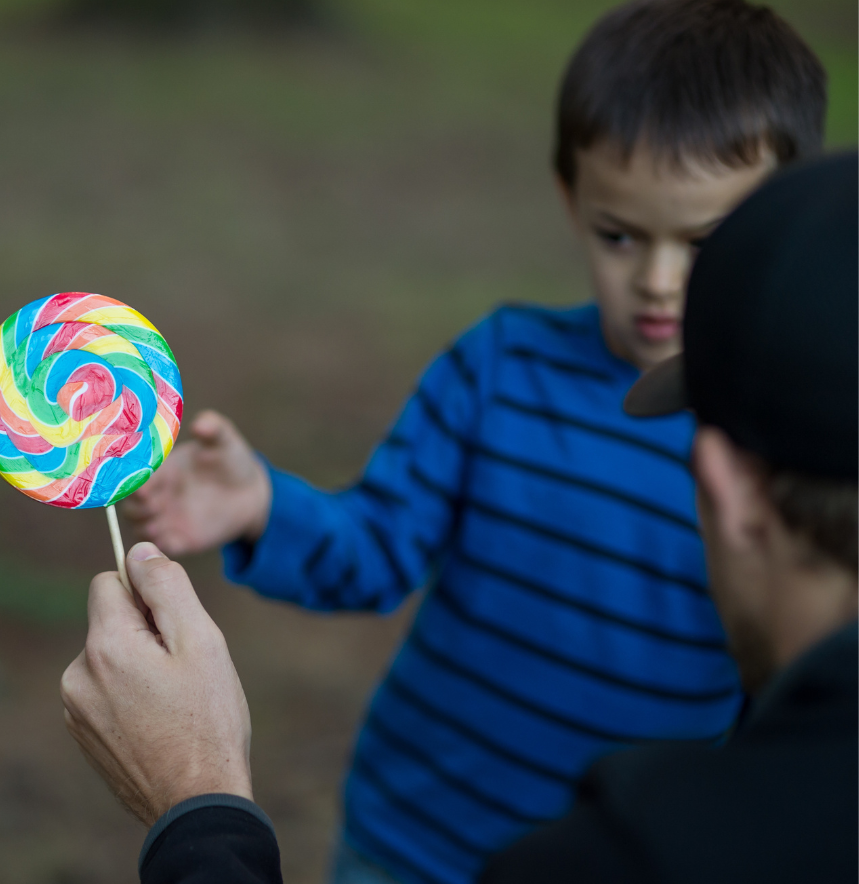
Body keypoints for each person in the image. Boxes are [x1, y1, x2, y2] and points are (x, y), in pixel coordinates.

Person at [118, 3, 827, 881]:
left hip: (616, 864)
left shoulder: (781, 435)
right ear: (570, 196)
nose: (656, 281)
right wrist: (264, 505)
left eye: (703, 242)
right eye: (619, 235)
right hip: (410, 842)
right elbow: (374, 551)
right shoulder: (497, 368)